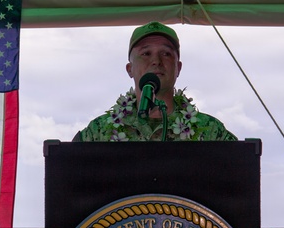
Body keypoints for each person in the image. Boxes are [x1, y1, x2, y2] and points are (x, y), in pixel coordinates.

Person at [73, 21, 237, 142]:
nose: (156, 61)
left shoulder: (210, 132)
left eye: (166, 54)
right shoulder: (98, 133)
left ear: (178, 68)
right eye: (146, 54)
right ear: (129, 69)